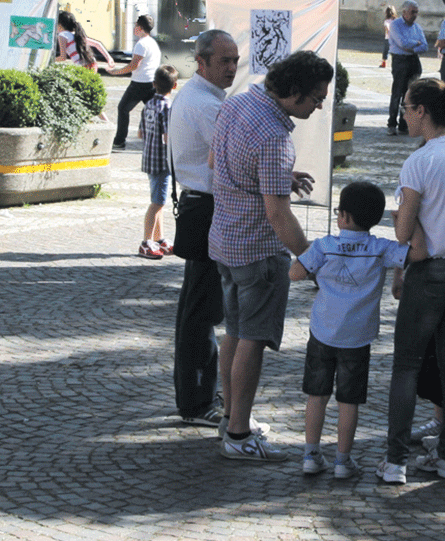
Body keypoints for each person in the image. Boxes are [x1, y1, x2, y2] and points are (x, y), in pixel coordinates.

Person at [210, 50, 334, 461]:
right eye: (316, 98)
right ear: (293, 92)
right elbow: (279, 216)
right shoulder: (275, 137)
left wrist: (277, 177)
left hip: (225, 242)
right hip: (258, 251)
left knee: (234, 331)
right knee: (253, 340)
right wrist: (314, 260)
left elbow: (217, 162)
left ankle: (231, 419)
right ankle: (240, 435)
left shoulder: (240, 101)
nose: (319, 107)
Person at [378, 78, 445, 484]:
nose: (403, 113)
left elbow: (404, 234)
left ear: (422, 110)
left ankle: (394, 462)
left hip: (433, 272)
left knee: (406, 365)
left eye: (406, 107)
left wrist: (399, 217)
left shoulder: (419, 161)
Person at [291, 181, 427, 479]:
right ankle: (342, 461)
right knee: (348, 401)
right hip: (357, 337)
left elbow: (295, 273)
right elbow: (417, 254)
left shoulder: (324, 246)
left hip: (322, 332)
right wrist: (404, 220)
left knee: (317, 396)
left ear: (343, 216)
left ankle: (311, 455)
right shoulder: (380, 248)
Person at [167, 29, 238, 427]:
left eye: (234, 60)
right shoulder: (203, 103)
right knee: (200, 310)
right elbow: (234, 154)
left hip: (204, 206)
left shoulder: (204, 97)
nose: (231, 68)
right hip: (207, 209)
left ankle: (199, 393)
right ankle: (196, 400)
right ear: (202, 61)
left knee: (201, 307)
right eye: (224, 61)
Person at [137, 64, 178, 259]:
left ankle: (159, 238)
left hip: (149, 158)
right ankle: (146, 242)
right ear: (175, 85)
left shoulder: (149, 104)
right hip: (162, 161)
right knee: (157, 203)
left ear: (154, 84)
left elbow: (139, 133)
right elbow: (168, 138)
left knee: (159, 201)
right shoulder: (168, 107)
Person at [109, 14, 161, 150]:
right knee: (153, 110)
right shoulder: (152, 43)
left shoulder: (141, 44)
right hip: (152, 82)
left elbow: (134, 65)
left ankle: (119, 140)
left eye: (135, 26)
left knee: (123, 108)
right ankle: (158, 138)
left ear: (140, 27)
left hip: (139, 83)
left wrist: (116, 72)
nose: (134, 28)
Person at [387, 0, 427, 135]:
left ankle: (404, 124)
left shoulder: (417, 28)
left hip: (413, 61)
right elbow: (401, 43)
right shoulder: (395, 25)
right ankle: (392, 123)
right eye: (412, 12)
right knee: (397, 92)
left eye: (416, 12)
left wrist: (412, 48)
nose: (415, 15)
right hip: (400, 61)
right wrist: (416, 43)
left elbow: (425, 46)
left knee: (410, 94)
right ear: (404, 12)